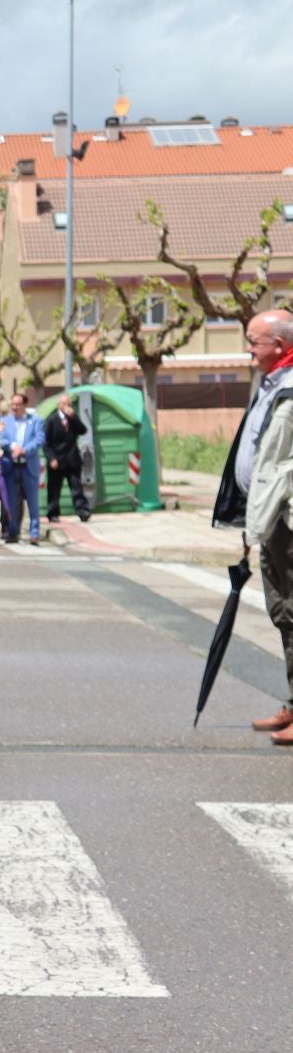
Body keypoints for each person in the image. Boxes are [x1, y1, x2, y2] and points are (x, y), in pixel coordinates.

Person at [212, 310, 293, 743]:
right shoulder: (271, 385)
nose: (248, 349)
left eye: (253, 341)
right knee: (282, 613)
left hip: (287, 519)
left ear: (279, 346)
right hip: (269, 517)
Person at [0, 393, 45, 545]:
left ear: (25, 405)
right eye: (13, 404)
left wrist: (24, 450)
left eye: (17, 404)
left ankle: (34, 533)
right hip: (11, 466)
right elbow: (2, 439)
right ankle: (13, 531)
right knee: (12, 502)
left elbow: (39, 439)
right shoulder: (6, 421)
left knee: (32, 502)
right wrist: (13, 447)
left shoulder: (35, 420)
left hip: (28, 466)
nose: (14, 407)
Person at [45, 394, 91, 524]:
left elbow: (83, 430)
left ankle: (82, 511)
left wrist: (73, 417)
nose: (67, 407)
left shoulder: (72, 419)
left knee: (77, 487)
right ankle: (53, 513)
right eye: (64, 404)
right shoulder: (52, 420)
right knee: (54, 489)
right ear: (59, 405)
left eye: (69, 404)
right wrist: (51, 458)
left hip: (72, 459)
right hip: (57, 459)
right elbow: (46, 443)